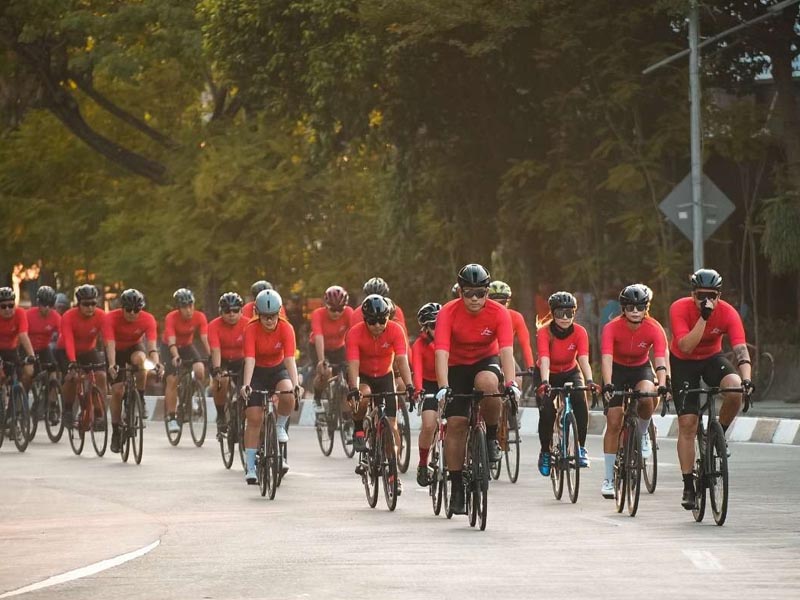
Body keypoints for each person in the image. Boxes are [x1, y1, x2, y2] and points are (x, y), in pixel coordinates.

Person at [434, 264, 520, 515]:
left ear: (487, 292)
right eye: (468, 293)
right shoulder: (448, 313)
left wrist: (511, 384)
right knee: (457, 424)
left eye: (480, 293)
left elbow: (506, 351)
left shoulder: (498, 313)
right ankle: (458, 486)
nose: (474, 299)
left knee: (489, 385)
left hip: (485, 360)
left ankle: (492, 435)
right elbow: (441, 353)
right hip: (456, 366)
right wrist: (443, 387)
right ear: (460, 292)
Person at [669, 268, 752, 510]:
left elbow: (741, 350)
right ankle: (687, 485)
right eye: (701, 295)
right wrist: (703, 318)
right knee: (687, 424)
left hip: (711, 358)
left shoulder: (727, 312)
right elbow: (685, 346)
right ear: (692, 294)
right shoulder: (679, 308)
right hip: (684, 362)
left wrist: (746, 379)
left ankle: (717, 436)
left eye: (712, 295)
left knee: (736, 388)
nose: (707, 300)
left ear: (720, 295)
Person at [599, 284, 668, 498]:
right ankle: (609, 478)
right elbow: (607, 358)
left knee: (648, 396)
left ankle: (644, 432)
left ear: (646, 308)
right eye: (630, 307)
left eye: (640, 307)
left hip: (640, 368)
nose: (635, 311)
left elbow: (660, 359)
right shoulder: (611, 327)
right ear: (623, 309)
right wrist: (608, 383)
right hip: (617, 371)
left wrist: (663, 383)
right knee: (614, 420)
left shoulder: (654, 328)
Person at [346, 294, 415, 493]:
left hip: (385, 376)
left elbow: (401, 360)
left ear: (388, 318)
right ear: (365, 320)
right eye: (372, 321)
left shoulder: (395, 330)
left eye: (381, 320)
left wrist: (409, 385)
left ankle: (393, 475)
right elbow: (353, 364)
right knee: (364, 395)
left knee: (392, 427)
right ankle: (359, 428)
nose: (377, 325)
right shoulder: (355, 333)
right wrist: (354, 389)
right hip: (362, 375)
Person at [534, 291, 597, 477]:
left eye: (569, 313)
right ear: (552, 314)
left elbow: (584, 359)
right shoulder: (544, 332)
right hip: (547, 372)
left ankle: (581, 448)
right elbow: (544, 358)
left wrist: (591, 381)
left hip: (570, 370)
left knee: (580, 401)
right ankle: (545, 451)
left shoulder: (580, 332)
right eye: (560, 313)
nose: (565, 318)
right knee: (547, 410)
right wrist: (545, 382)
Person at [240, 289, 300, 483]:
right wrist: (247, 385)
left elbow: (290, 359)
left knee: (288, 392)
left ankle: (280, 425)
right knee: (254, 417)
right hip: (256, 371)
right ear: (257, 313)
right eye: (265, 317)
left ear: (279, 313)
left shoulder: (286, 328)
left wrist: (296, 384)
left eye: (273, 316)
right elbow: (249, 359)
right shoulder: (250, 328)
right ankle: (250, 465)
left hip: (277, 368)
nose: (269, 321)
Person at [104, 289, 162, 453]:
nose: (132, 313)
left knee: (141, 361)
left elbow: (151, 346)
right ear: (122, 308)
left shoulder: (148, 319)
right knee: (117, 391)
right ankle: (116, 431)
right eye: (128, 309)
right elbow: (110, 344)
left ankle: (140, 398)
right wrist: (112, 364)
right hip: (115, 351)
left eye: (136, 310)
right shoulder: (111, 318)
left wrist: (156, 363)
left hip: (134, 348)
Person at [56, 284, 107, 426]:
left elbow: (107, 340)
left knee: (101, 376)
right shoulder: (68, 316)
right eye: (86, 304)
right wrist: (72, 361)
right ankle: (67, 409)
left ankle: (99, 413)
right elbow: (69, 341)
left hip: (88, 350)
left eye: (93, 304)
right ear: (78, 304)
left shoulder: (102, 315)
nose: (90, 307)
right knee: (73, 377)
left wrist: (111, 361)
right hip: (66, 349)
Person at [161, 288, 210, 435]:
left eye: (191, 305)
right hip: (170, 347)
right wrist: (175, 356)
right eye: (184, 307)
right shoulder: (171, 318)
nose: (188, 310)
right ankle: (171, 418)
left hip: (187, 346)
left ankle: (192, 397)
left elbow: (204, 338)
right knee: (173, 379)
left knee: (200, 370)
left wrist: (211, 356)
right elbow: (171, 340)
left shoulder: (200, 317)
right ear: (178, 308)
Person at [208, 292, 247, 433]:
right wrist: (218, 369)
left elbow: (251, 351)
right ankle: (220, 414)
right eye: (227, 311)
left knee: (247, 386)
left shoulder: (248, 324)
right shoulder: (213, 325)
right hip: (221, 360)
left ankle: (241, 417)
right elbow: (215, 349)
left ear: (241, 311)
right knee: (222, 381)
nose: (232, 314)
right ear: (221, 312)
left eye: (236, 310)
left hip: (240, 359)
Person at [412, 302, 441, 487]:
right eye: (433, 326)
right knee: (429, 425)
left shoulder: (454, 339)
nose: (437, 330)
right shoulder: (419, 345)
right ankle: (423, 463)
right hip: (430, 385)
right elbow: (417, 369)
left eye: (440, 325)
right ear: (425, 328)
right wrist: (418, 389)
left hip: (451, 381)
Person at [310, 286, 352, 407]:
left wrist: (353, 359)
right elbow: (319, 337)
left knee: (348, 375)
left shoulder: (349, 313)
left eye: (340, 309)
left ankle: (344, 410)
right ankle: (317, 396)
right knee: (326, 372)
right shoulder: (318, 314)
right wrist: (322, 361)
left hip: (339, 348)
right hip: (318, 347)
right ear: (326, 306)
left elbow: (353, 335)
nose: (337, 313)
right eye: (333, 309)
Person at [487, 280, 535, 371]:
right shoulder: (481, 317)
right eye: (494, 302)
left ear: (508, 302)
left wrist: (530, 366)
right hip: (486, 357)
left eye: (502, 303)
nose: (498, 306)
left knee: (517, 378)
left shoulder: (516, 317)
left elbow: (525, 344)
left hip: (506, 355)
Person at [0, 287, 36, 391]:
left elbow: (23, 335)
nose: (7, 309)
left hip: (11, 349)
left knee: (22, 376)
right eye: (3, 306)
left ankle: (16, 402)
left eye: (11, 306)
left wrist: (31, 355)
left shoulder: (20, 313)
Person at [27, 285, 61, 371]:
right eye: (44, 304)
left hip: (44, 348)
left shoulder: (56, 317)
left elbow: (63, 333)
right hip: (28, 348)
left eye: (50, 305)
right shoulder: (28, 314)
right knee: (29, 372)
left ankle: (53, 383)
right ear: (38, 303)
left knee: (53, 369)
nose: (47, 308)